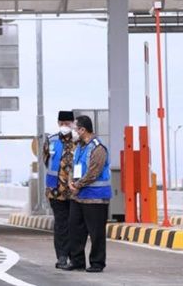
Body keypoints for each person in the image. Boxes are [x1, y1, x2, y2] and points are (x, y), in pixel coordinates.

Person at [65, 115, 111, 273]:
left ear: (83, 130)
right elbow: (74, 167)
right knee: (75, 229)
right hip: (78, 197)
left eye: (75, 129)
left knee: (96, 232)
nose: (73, 132)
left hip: (95, 197)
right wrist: (71, 182)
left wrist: (78, 185)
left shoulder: (98, 148)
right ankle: (77, 261)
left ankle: (97, 263)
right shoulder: (79, 147)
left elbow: (94, 172)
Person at [43, 110, 76, 269]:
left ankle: (73, 256)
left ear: (73, 123)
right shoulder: (50, 140)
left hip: (74, 191)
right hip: (55, 190)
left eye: (67, 123)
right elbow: (45, 161)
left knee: (74, 224)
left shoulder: (78, 141)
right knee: (61, 224)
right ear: (58, 123)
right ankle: (61, 256)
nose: (64, 126)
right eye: (62, 123)